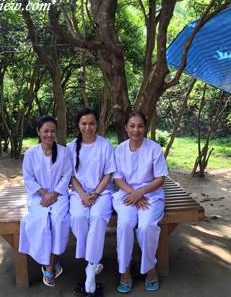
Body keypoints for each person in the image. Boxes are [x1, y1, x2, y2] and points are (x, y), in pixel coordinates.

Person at [113, 111, 168, 293]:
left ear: (145, 128)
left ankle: (150, 269)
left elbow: (160, 178)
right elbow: (118, 179)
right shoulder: (119, 149)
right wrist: (134, 194)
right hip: (126, 195)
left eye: (140, 126)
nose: (136, 130)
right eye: (132, 126)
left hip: (150, 195)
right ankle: (124, 270)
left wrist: (141, 192)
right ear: (126, 128)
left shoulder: (154, 148)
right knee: (125, 225)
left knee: (146, 227)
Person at [19, 116, 72, 287]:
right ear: (38, 132)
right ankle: (50, 265)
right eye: (45, 131)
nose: (49, 134)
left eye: (52, 131)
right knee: (41, 221)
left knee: (58, 220)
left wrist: (54, 194)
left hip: (60, 195)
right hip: (38, 196)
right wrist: (44, 194)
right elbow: (28, 178)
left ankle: (50, 262)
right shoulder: (30, 153)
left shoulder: (64, 152)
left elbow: (67, 176)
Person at [67, 108, 115, 294]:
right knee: (78, 217)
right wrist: (83, 194)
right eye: (83, 123)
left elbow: (109, 174)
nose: (88, 127)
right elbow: (70, 176)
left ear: (97, 124)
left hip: (101, 193)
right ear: (78, 126)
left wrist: (94, 193)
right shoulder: (71, 147)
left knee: (97, 218)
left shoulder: (105, 145)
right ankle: (92, 261)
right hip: (78, 193)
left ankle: (90, 267)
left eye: (91, 123)